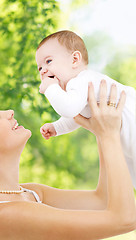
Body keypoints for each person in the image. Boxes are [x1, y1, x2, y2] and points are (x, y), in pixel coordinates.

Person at [0, 81, 135, 239]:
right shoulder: (3, 215)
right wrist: (109, 135)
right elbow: (124, 220)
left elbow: (102, 202)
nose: (9, 112)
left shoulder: (29, 193)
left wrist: (101, 131)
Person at [36, 30, 136, 189]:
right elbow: (75, 116)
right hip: (125, 143)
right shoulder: (77, 92)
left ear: (75, 59)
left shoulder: (82, 80)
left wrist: (50, 88)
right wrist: (57, 127)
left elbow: (69, 109)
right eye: (39, 68)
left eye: (48, 62)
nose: (43, 71)